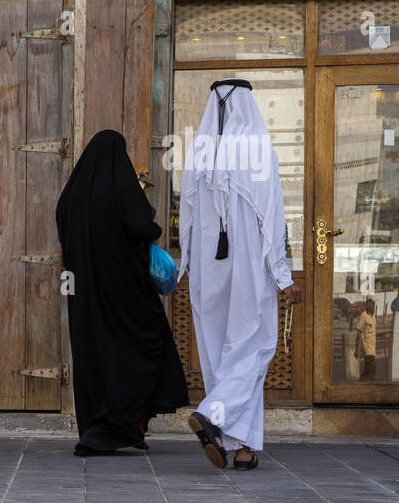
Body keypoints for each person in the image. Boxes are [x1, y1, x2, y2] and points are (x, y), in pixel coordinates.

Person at [179, 80, 303, 470]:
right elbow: (272, 218)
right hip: (249, 267)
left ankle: (240, 446)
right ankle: (213, 413)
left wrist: (185, 266)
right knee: (253, 348)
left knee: (220, 353)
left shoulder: (199, 151)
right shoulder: (258, 150)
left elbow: (185, 214)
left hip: (207, 268)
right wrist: (283, 276)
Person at [56, 129, 188, 457]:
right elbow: (143, 226)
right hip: (125, 292)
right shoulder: (119, 190)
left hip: (84, 296)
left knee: (95, 356)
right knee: (143, 345)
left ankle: (106, 429)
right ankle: (121, 425)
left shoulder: (70, 196)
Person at [356, 297, 377, 380]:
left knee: (368, 372)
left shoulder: (373, 316)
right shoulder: (364, 316)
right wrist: (356, 349)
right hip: (367, 348)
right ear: (367, 304)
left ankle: (363, 382)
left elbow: (373, 331)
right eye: (371, 303)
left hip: (373, 347)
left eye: (374, 303)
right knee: (372, 371)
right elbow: (359, 332)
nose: (373, 305)